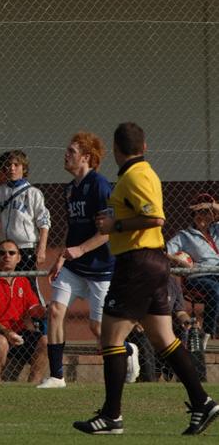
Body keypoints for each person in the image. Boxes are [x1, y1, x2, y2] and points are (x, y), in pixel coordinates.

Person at [74, 122, 219, 435]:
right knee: (163, 338)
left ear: (115, 150)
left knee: (111, 338)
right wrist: (116, 221)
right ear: (145, 147)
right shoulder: (142, 172)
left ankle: (112, 416)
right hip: (150, 262)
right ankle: (202, 401)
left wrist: (116, 226)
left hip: (137, 263)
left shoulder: (137, 175)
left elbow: (155, 217)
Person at [39, 132, 139, 388]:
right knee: (55, 311)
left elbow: (107, 231)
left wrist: (81, 250)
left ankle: (129, 350)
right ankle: (57, 376)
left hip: (101, 268)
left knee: (98, 329)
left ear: (86, 157)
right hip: (74, 267)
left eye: (71, 151)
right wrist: (62, 257)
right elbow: (74, 229)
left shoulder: (99, 185)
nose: (66, 155)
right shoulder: (69, 189)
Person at [0, 149, 50, 311]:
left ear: (23, 168)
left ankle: (39, 321)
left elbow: (44, 222)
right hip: (4, 248)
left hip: (26, 248)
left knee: (29, 285)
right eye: (8, 165)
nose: (11, 168)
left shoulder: (33, 193)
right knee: (4, 285)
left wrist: (42, 248)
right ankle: (12, 320)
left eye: (16, 165)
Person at [0, 240, 48, 382]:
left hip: (18, 334)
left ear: (18, 258)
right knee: (0, 341)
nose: (7, 256)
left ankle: (33, 386)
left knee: (46, 341)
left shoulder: (22, 281)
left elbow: (34, 309)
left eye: (12, 253)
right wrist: (7, 332)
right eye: (2, 253)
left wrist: (50, 311)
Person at [166, 192, 219, 347]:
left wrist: (210, 205)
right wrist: (179, 261)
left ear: (213, 215)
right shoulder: (184, 236)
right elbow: (164, 251)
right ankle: (207, 333)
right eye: (198, 213)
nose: (202, 216)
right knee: (215, 290)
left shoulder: (217, 230)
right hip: (199, 276)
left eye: (205, 213)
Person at [127, 275, 193, 382]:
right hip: (140, 325)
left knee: (189, 331)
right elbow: (126, 309)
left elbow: (180, 312)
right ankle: (149, 380)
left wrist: (187, 321)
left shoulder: (172, 282)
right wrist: (135, 323)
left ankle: (186, 378)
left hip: (163, 326)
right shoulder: (136, 279)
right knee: (143, 336)